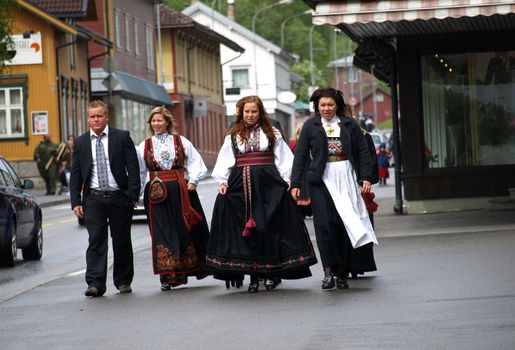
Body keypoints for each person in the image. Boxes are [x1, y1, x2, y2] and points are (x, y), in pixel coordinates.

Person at [207, 95, 317, 293]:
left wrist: (286, 179)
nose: (250, 115)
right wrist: (223, 182)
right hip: (240, 185)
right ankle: (253, 276)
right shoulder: (233, 134)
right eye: (247, 111)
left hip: (269, 183)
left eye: (254, 111)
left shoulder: (271, 132)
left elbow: (283, 157)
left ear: (260, 113)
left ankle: (270, 273)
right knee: (246, 229)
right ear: (241, 112)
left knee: (269, 226)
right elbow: (225, 160)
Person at [291, 87, 378, 290]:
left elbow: (363, 152)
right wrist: (295, 183)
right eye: (323, 105)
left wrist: (365, 177)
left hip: (346, 176)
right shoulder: (310, 126)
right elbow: (301, 156)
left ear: (337, 105)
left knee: (342, 225)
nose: (327, 108)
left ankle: (342, 273)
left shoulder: (349, 125)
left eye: (330, 104)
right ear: (317, 107)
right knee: (325, 227)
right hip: (322, 180)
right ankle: (328, 272)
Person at [70, 100, 140, 297]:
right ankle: (95, 283)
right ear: (88, 119)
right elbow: (75, 174)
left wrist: (133, 195)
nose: (96, 120)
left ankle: (123, 280)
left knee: (121, 239)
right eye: (92, 116)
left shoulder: (121, 137)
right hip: (94, 198)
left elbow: (133, 168)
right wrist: (76, 201)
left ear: (106, 117)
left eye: (99, 116)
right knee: (96, 240)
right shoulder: (81, 142)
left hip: (119, 196)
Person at [136, 106, 210, 291]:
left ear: (167, 122)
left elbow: (196, 162)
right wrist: (136, 193)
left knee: (182, 229)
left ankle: (186, 270)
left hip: (179, 190)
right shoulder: (144, 145)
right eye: (153, 121)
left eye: (159, 120)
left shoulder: (180, 141)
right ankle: (168, 275)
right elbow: (140, 171)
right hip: (155, 194)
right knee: (162, 232)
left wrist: (193, 181)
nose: (156, 124)